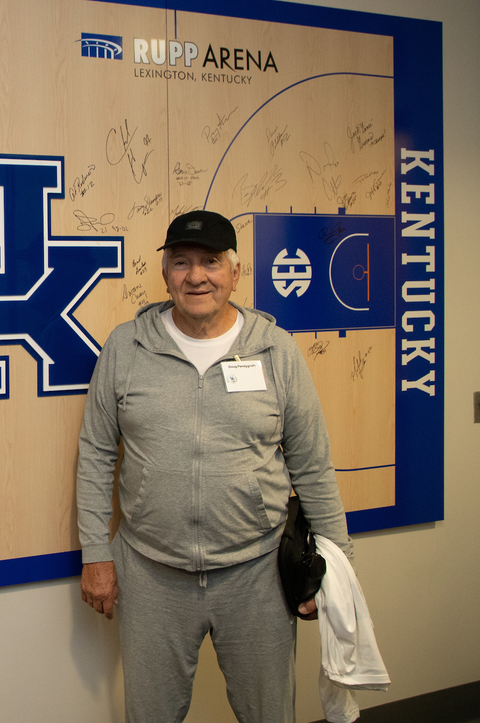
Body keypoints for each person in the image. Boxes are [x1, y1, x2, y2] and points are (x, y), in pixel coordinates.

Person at [75, 210, 352, 723]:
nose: (196, 275)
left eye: (211, 262)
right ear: (165, 273)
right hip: (151, 574)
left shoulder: (276, 350)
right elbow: (95, 454)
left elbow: (313, 465)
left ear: (235, 273)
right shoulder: (126, 347)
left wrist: (335, 567)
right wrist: (96, 552)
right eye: (181, 262)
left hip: (257, 575)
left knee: (269, 715)